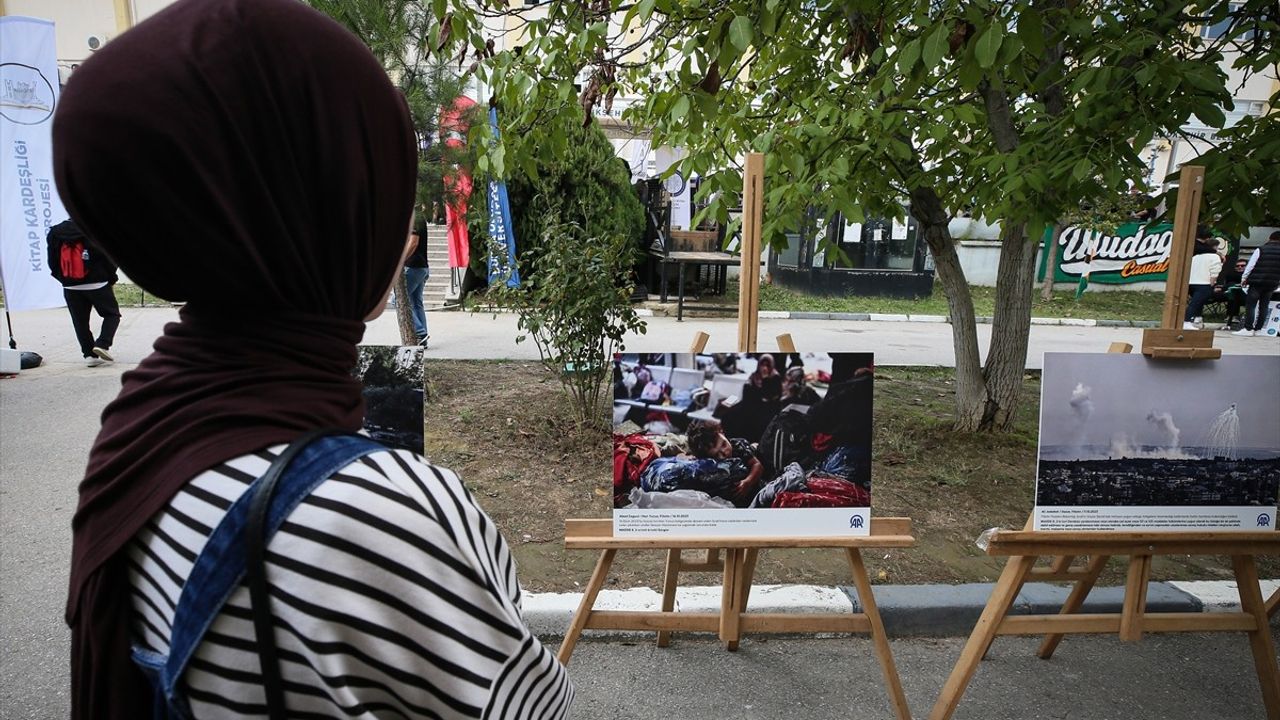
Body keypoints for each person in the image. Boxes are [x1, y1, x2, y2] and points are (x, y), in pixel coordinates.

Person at [53, 1, 572, 718]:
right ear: (319, 205)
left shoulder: (149, 421)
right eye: (380, 175)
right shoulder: (381, 517)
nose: (400, 218)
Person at [45, 220, 121, 366]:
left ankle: (89, 356)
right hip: (97, 283)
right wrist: (110, 278)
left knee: (80, 321)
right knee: (112, 314)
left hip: (70, 286)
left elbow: (52, 261)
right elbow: (109, 258)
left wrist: (64, 279)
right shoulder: (95, 229)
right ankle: (102, 344)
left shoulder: (55, 232)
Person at [1234, 231, 1280, 337]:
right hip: (1272, 282)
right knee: (1264, 306)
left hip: (1257, 281)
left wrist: (1244, 279)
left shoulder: (1261, 249)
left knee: (1251, 305)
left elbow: (1251, 265)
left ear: (1269, 238)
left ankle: (1248, 328)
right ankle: (1259, 329)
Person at [1183, 230, 1222, 329]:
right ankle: (1186, 321)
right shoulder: (1214, 257)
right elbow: (1215, 271)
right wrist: (1212, 283)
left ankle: (1197, 319)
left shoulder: (1195, 256)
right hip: (1204, 283)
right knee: (1196, 303)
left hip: (1191, 282)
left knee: (1196, 302)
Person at [405, 209, 431, 346]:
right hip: (422, 267)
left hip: (413, 267)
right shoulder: (418, 217)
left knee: (397, 300)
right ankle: (423, 339)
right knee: (416, 302)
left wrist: (401, 260)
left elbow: (414, 242)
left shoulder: (414, 217)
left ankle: (420, 332)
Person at [1213, 256, 1248, 329]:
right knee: (1232, 290)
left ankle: (1232, 316)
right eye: (1237, 266)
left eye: (1242, 266)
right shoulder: (1231, 274)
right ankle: (1232, 316)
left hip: (1247, 295)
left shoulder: (1250, 274)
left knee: (1233, 289)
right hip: (1231, 293)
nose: (1240, 267)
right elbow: (1230, 281)